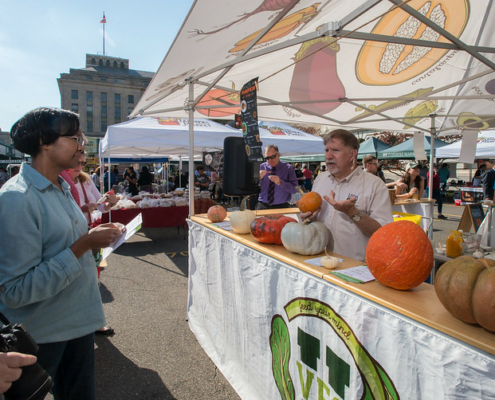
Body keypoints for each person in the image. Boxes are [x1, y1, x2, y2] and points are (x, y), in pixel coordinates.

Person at [0, 107, 122, 400]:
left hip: (77, 324)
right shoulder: (17, 198)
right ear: (44, 141)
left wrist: (96, 242)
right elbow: (14, 291)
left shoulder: (61, 188)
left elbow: (68, 248)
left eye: (82, 139)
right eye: (74, 138)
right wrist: (83, 245)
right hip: (42, 336)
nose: (82, 146)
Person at [300, 129, 393, 262]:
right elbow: (315, 223)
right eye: (327, 150)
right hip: (319, 262)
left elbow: (384, 233)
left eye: (335, 150)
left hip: (354, 271)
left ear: (352, 154)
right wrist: (308, 218)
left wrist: (353, 213)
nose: (328, 156)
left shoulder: (375, 185)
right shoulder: (321, 179)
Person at [257, 144, 298, 209]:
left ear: (278, 155)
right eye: (267, 158)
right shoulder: (261, 167)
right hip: (263, 205)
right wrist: (257, 179)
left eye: (272, 157)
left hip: (281, 206)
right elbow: (252, 188)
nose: (270, 160)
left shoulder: (288, 168)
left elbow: (295, 189)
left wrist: (281, 183)